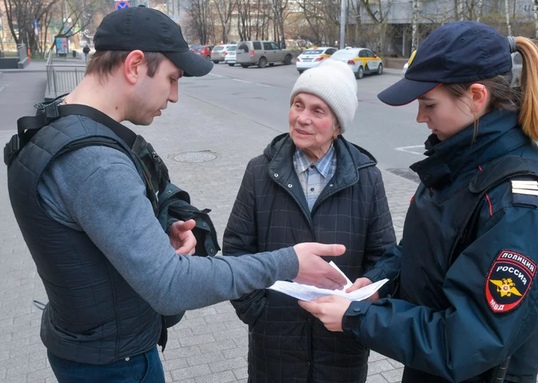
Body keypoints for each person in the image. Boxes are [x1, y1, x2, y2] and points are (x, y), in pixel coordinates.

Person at [5, 6, 347, 383]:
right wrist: (288, 262)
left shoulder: (54, 122)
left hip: (86, 342)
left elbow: (87, 240)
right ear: (135, 65)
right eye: (172, 79)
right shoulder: (96, 162)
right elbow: (170, 286)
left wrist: (151, 237)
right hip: (117, 364)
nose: (175, 96)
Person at [299, 21, 538, 383]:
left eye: (429, 104)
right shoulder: (459, 166)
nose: (420, 117)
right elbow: (422, 249)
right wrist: (375, 282)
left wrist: (358, 318)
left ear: (477, 97)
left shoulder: (517, 207)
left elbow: (467, 340)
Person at [222, 59, 397, 383]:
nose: (302, 118)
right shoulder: (260, 172)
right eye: (298, 105)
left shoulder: (366, 178)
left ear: (338, 125)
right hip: (273, 347)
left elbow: (385, 255)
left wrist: (366, 296)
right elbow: (236, 250)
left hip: (342, 344)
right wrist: (259, 312)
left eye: (318, 111)